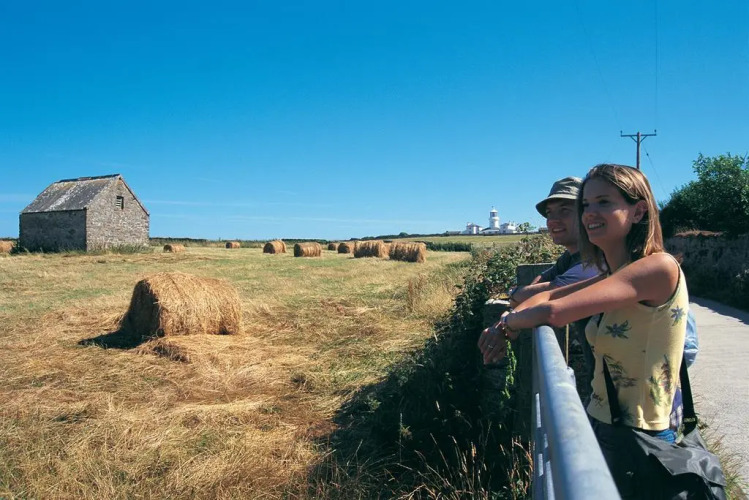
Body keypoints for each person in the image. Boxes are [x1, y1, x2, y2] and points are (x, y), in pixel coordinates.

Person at [478, 164, 689, 496]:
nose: (589, 213)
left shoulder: (657, 267)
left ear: (638, 211)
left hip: (643, 431)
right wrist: (506, 321)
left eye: (604, 202)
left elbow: (553, 311)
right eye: (586, 204)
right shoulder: (615, 274)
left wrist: (506, 324)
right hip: (609, 423)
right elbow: (549, 296)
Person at [507, 176, 600, 308]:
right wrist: (521, 298)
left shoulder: (594, 260)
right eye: (549, 213)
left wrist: (514, 293)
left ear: (586, 215)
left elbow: (551, 292)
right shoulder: (571, 256)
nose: (552, 220)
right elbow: (542, 280)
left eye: (564, 210)